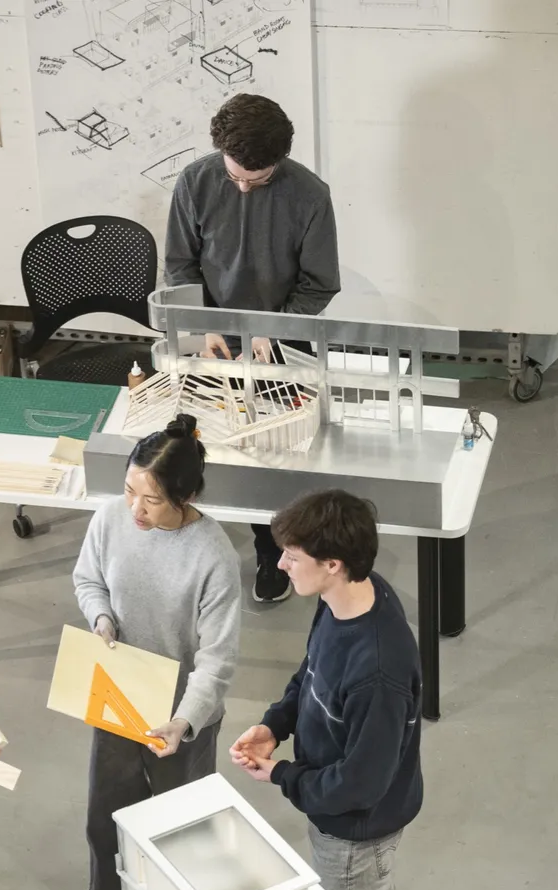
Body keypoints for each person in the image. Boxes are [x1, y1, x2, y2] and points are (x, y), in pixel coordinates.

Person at [55, 414, 242, 890]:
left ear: (183, 497)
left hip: (182, 711)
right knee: (105, 811)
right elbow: (88, 578)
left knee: (181, 827)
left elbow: (218, 658)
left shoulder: (213, 557)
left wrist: (184, 722)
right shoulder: (111, 519)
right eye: (129, 491)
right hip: (120, 691)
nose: (135, 509)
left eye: (152, 500)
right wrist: (101, 617)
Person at [229, 490, 422, 890]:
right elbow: (311, 669)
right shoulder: (342, 600)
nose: (280, 565)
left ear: (332, 563)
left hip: (354, 833)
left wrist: (280, 774)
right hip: (336, 813)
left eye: (292, 557)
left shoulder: (377, 671)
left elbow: (360, 784)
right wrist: (277, 724)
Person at [164, 94, 340, 605]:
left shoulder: (310, 195)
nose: (242, 187)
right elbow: (179, 265)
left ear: (279, 162)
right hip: (212, 336)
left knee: (275, 452)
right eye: (235, 176)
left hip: (281, 337)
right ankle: (223, 539)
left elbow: (318, 283)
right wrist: (200, 324)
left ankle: (274, 548)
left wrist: (274, 327)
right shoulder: (195, 182)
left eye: (256, 180)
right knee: (207, 446)